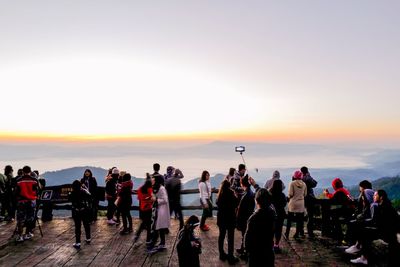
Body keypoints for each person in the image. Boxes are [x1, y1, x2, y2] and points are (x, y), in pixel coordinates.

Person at [350, 190, 400, 266]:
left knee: (364, 232)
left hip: (387, 233)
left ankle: (364, 258)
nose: (373, 196)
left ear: (381, 197)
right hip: (387, 231)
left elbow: (377, 222)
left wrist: (362, 221)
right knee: (365, 230)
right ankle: (363, 255)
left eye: (375, 195)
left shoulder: (383, 207)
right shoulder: (384, 205)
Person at [244, 188, 277, 267]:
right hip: (268, 250)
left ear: (256, 201)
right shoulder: (272, 214)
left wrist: (247, 250)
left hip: (255, 253)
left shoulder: (253, 218)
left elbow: (248, 237)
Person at [323, 177, 355, 243]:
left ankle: (338, 233)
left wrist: (327, 194)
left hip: (348, 209)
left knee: (333, 213)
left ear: (334, 185)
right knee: (334, 213)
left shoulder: (339, 191)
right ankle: (337, 232)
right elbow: (335, 197)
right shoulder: (343, 190)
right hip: (350, 208)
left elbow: (333, 199)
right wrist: (328, 194)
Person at [216, 180, 239, 264]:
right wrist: (236, 195)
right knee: (230, 238)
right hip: (230, 219)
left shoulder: (220, 194)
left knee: (221, 236)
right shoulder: (231, 193)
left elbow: (217, 203)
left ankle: (221, 254)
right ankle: (230, 257)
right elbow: (236, 204)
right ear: (229, 186)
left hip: (221, 219)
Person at [15, 166, 39, 242]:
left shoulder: (19, 180)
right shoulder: (34, 180)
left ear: (23, 171)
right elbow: (38, 190)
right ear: (30, 171)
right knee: (30, 218)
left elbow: (16, 192)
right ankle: (28, 234)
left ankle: (20, 236)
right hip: (32, 201)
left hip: (21, 202)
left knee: (20, 220)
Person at [148, 174, 170, 252]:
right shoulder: (156, 188)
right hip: (158, 210)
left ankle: (155, 244)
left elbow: (165, 200)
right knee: (159, 227)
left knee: (158, 227)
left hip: (162, 210)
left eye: (153, 179)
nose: (152, 180)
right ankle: (161, 243)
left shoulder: (161, 188)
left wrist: (155, 199)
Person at [236, 175, 255, 259]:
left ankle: (245, 252)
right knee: (245, 235)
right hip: (249, 216)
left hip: (245, 218)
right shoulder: (250, 193)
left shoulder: (246, 195)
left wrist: (237, 220)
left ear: (242, 184)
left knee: (245, 235)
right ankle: (242, 248)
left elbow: (241, 210)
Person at [69, 180, 92, 249]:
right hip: (84, 210)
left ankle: (78, 242)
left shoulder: (71, 193)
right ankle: (88, 238)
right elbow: (90, 196)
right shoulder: (84, 191)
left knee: (77, 227)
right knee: (86, 225)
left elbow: (69, 200)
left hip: (76, 211)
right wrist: (84, 188)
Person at [285, 170, 307, 240]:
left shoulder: (292, 183)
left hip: (293, 204)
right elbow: (305, 194)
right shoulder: (304, 184)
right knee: (299, 220)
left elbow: (290, 194)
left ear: (294, 176)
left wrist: (289, 197)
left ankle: (287, 233)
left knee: (289, 219)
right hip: (301, 204)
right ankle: (297, 234)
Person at [134, 176, 154, 245]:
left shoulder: (140, 189)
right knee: (148, 224)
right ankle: (148, 240)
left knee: (144, 223)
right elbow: (153, 198)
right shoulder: (150, 189)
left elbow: (138, 198)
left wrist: (144, 199)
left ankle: (137, 236)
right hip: (148, 208)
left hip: (142, 208)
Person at [269, 179, 287, 252]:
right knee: (278, 230)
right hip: (280, 213)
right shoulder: (282, 195)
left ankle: (270, 244)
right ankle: (276, 245)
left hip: (271, 213)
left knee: (270, 229)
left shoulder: (270, 194)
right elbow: (284, 204)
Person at [300, 166, 318, 238]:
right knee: (310, 215)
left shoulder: (300, 178)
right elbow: (314, 183)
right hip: (309, 198)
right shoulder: (307, 177)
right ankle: (310, 232)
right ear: (307, 171)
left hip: (301, 197)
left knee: (301, 215)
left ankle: (301, 231)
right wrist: (309, 176)